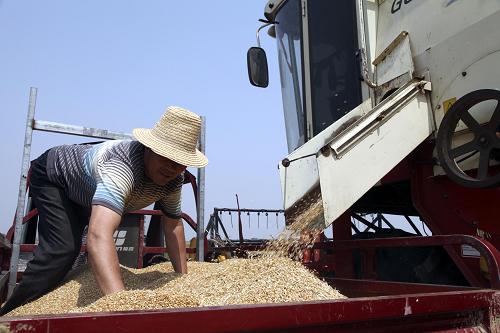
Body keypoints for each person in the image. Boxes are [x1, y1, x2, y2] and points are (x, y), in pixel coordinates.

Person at [0, 106, 208, 315]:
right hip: (55, 176)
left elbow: (172, 226)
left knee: (80, 260)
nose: (172, 167)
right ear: (149, 148)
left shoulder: (173, 181)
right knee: (62, 250)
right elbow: (99, 236)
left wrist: (182, 279)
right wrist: (120, 307)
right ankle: (11, 315)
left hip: (87, 191)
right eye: (166, 156)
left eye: (180, 162)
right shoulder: (121, 167)